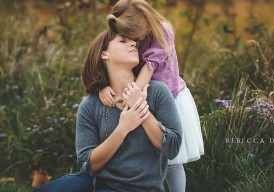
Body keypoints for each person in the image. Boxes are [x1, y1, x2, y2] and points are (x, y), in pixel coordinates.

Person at [34, 29, 183, 192]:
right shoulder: (90, 105)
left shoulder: (157, 92)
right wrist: (122, 128)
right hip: (95, 184)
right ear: (104, 54)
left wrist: (140, 108)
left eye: (133, 40)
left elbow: (172, 148)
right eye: (122, 41)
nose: (133, 43)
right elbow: (88, 164)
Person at [99, 0, 204, 192]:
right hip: (143, 98)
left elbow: (148, 69)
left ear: (146, 20)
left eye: (135, 36)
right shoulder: (126, 28)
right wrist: (103, 85)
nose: (135, 41)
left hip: (168, 100)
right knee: (147, 156)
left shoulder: (163, 30)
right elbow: (109, 59)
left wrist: (129, 100)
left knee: (172, 160)